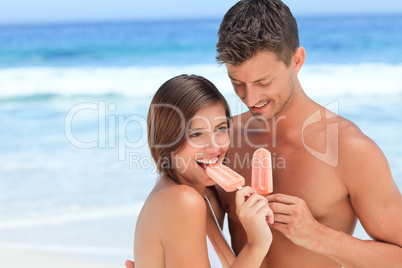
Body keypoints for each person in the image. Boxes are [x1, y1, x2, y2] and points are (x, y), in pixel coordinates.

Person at [214, 0, 402, 267]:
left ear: (296, 60)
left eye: (263, 82)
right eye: (237, 83)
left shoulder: (349, 149)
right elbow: (184, 213)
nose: (250, 98)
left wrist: (319, 237)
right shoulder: (222, 140)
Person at [133, 74, 274, 267]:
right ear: (166, 140)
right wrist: (257, 244)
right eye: (196, 134)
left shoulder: (205, 198)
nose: (214, 147)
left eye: (220, 129)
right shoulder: (183, 201)